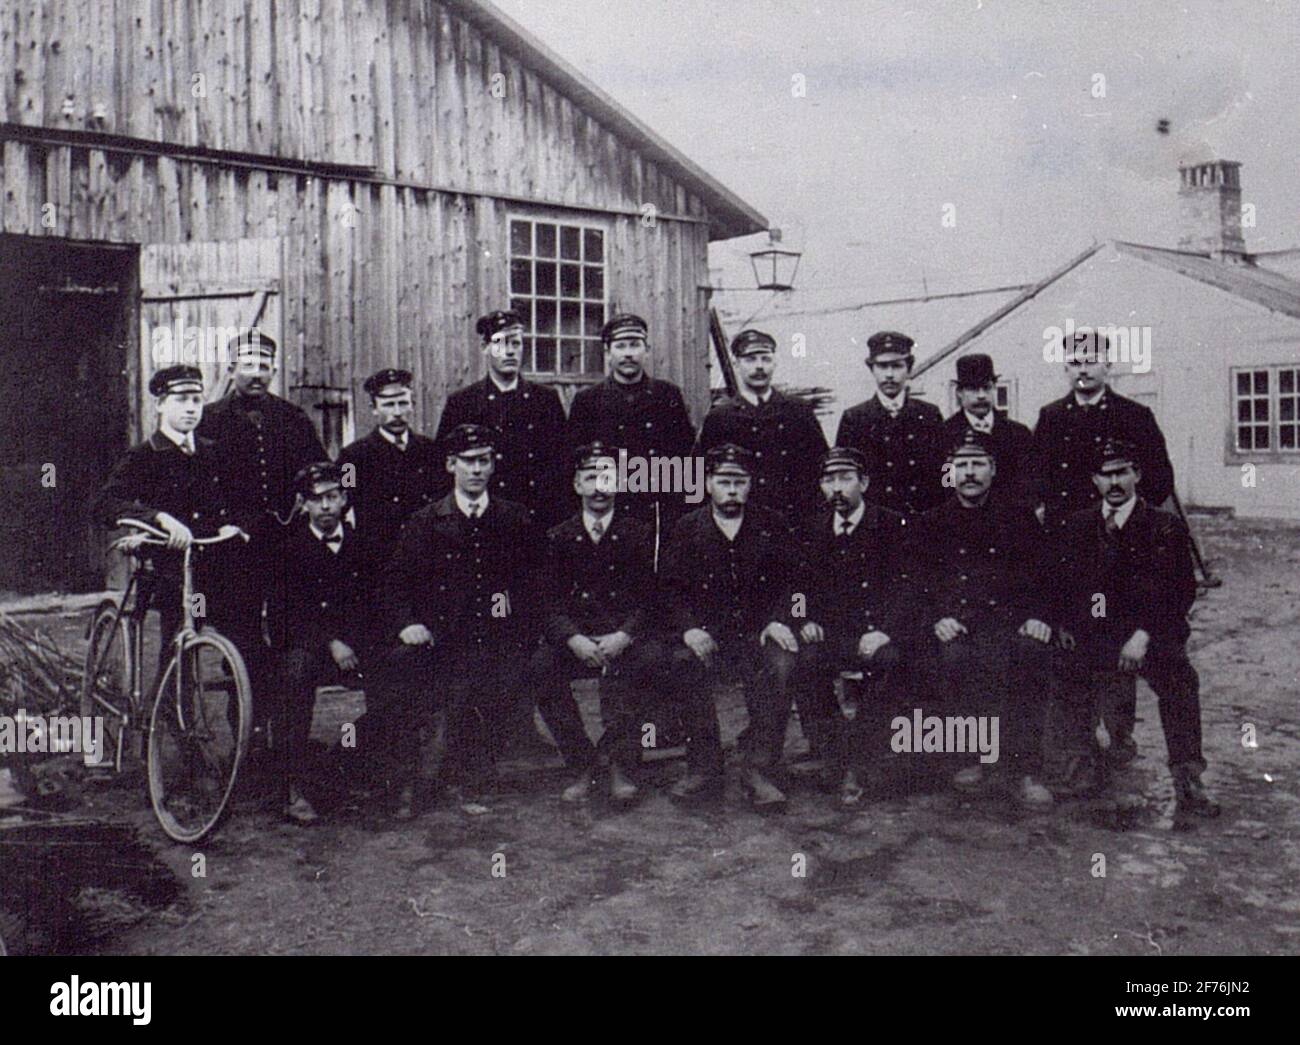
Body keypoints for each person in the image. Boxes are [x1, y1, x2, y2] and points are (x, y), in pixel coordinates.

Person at [370, 424, 543, 816]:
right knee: (411, 679)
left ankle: (470, 774)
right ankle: (412, 778)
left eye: (484, 461)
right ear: (451, 465)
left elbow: (533, 583)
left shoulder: (514, 519)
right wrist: (408, 624)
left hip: (498, 638)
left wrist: (512, 620)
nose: (477, 470)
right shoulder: (425, 521)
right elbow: (394, 584)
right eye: (468, 461)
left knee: (508, 679)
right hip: (442, 638)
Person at [1050, 437, 1219, 827]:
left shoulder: (1164, 526)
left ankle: (1188, 778)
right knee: (1065, 669)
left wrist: (1144, 635)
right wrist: (1069, 625)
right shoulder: (1079, 526)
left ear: (1136, 475)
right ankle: (1083, 763)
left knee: (1179, 680)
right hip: (1097, 632)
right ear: (1094, 480)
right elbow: (1065, 585)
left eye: (1122, 473)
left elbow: (1179, 592)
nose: (1114, 482)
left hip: (1150, 633)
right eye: (1105, 475)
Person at [195, 330, 328, 741]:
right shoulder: (209, 420)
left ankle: (288, 741)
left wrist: (315, 498)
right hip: (233, 554)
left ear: (274, 370)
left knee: (291, 643)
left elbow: (321, 468)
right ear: (231, 369)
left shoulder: (292, 418)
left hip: (286, 548)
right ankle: (247, 739)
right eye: (248, 366)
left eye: (265, 366)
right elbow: (197, 484)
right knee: (243, 648)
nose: (257, 374)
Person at [912, 430, 1056, 809]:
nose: (970, 473)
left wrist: (1038, 616)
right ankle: (972, 758)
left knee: (1031, 653)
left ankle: (1025, 769)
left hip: (1009, 622)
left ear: (993, 470)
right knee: (954, 657)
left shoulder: (1019, 517)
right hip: (957, 623)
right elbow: (917, 585)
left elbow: (1045, 575)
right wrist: (936, 619)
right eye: (962, 465)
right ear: (950, 473)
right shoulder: (932, 522)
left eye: (978, 464)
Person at [658, 443, 803, 810]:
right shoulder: (688, 527)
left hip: (758, 632)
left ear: (751, 484)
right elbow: (669, 589)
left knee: (782, 662)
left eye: (740, 482)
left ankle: (759, 767)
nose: (732, 490)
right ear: (709, 483)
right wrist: (689, 629)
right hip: (709, 635)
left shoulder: (772, 524)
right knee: (682, 661)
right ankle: (704, 766)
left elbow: (796, 584)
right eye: (724, 482)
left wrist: (780, 620)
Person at [530, 442, 667, 805]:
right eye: (591, 477)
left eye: (607, 478)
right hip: (579, 639)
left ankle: (621, 763)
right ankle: (582, 762)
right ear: (577, 484)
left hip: (623, 636)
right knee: (541, 666)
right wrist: (573, 639)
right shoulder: (558, 537)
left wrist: (624, 635)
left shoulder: (639, 534)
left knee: (649, 661)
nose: (599, 487)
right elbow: (548, 601)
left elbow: (651, 597)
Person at [93, 365, 249, 674]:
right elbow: (105, 504)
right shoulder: (144, 456)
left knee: (245, 635)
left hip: (213, 561)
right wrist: (159, 518)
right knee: (178, 645)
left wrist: (231, 524)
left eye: (196, 400)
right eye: (181, 400)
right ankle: (173, 700)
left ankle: (241, 701)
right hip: (167, 565)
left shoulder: (212, 452)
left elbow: (234, 499)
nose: (191, 408)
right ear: (161, 404)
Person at [793, 447, 913, 806]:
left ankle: (863, 758)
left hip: (880, 632)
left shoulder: (892, 524)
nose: (836, 488)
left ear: (864, 482)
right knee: (804, 661)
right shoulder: (812, 528)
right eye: (829, 480)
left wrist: (885, 630)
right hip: (833, 633)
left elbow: (910, 586)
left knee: (891, 662)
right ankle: (832, 752)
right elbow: (795, 586)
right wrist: (803, 618)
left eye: (845, 479)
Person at [276, 462, 381, 824]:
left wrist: (358, 641)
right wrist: (331, 641)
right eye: (316, 499)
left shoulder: (363, 545)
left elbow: (376, 602)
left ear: (344, 499)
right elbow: (284, 616)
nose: (325, 506)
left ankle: (353, 764)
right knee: (295, 677)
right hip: (310, 647)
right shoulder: (289, 551)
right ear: (303, 504)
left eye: (332, 497)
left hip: (357, 645)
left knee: (398, 671)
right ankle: (294, 785)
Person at [1030, 329, 1175, 535]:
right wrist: (1042, 509)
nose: (1083, 371)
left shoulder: (1134, 415)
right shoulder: (1051, 416)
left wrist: (1129, 515)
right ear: (1066, 369)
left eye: (1091, 362)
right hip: (1064, 530)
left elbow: (1160, 478)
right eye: (1075, 363)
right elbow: (1034, 473)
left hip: (1116, 530)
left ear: (1107, 366)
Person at [434, 309, 569, 528]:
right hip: (486, 522)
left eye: (516, 344)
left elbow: (562, 464)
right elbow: (442, 469)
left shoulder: (545, 399)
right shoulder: (462, 402)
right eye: (500, 344)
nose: (510, 352)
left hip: (536, 517)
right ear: (485, 347)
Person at [566, 313, 697, 533]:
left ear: (647, 350)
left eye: (635, 345)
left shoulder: (667, 396)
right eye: (620, 346)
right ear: (608, 353)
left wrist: (686, 517)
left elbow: (688, 460)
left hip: (657, 511)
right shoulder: (588, 401)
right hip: (609, 512)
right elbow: (573, 465)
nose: (628, 353)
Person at [696, 329, 828, 524]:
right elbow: (700, 475)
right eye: (750, 359)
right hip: (745, 524)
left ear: (775, 362)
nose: (759, 367)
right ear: (736, 363)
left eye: (765, 359)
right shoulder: (720, 417)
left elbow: (821, 466)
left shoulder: (798, 410)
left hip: (796, 521)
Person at [835, 330, 946, 516]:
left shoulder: (929, 414)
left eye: (897, 366)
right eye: (882, 366)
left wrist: (945, 506)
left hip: (924, 517)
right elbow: (845, 476)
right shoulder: (855, 419)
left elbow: (946, 468)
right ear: (872, 369)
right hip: (877, 521)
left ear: (909, 368)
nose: (889, 374)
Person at [336, 368, 441, 555]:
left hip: (425, 552)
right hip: (378, 557)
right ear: (374, 408)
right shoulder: (351, 458)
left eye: (403, 403)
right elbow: (342, 504)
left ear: (412, 405)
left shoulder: (431, 451)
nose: (397, 412)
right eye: (389, 405)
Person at [942, 353, 1034, 505]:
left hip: (1009, 515)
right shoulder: (944, 434)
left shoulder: (1018, 434)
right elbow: (945, 484)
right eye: (973, 389)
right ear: (959, 392)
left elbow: (1028, 482)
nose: (981, 396)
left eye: (986, 388)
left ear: (994, 388)